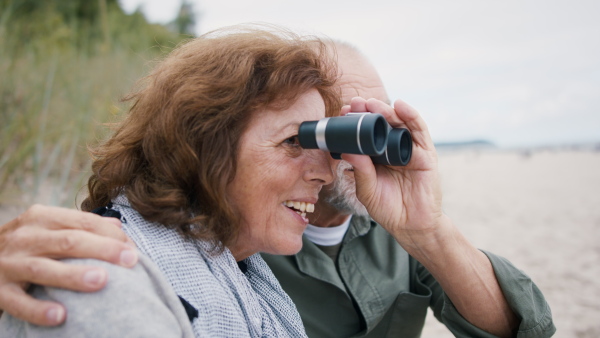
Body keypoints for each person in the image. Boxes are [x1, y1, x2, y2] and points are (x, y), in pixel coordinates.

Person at [0, 40, 556, 337]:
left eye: (372, 122)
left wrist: (428, 229)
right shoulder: (236, 233)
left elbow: (523, 331)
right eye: (310, 135)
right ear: (207, 145)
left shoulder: (254, 252)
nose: (336, 159)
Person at [0, 25, 344, 336]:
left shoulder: (248, 279)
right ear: (205, 145)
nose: (326, 174)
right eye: (294, 142)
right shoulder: (107, 284)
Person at [260, 42, 556, 337]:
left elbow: (522, 331)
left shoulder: (400, 230)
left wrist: (429, 231)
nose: (372, 146)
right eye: (348, 125)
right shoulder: (251, 239)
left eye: (378, 123)